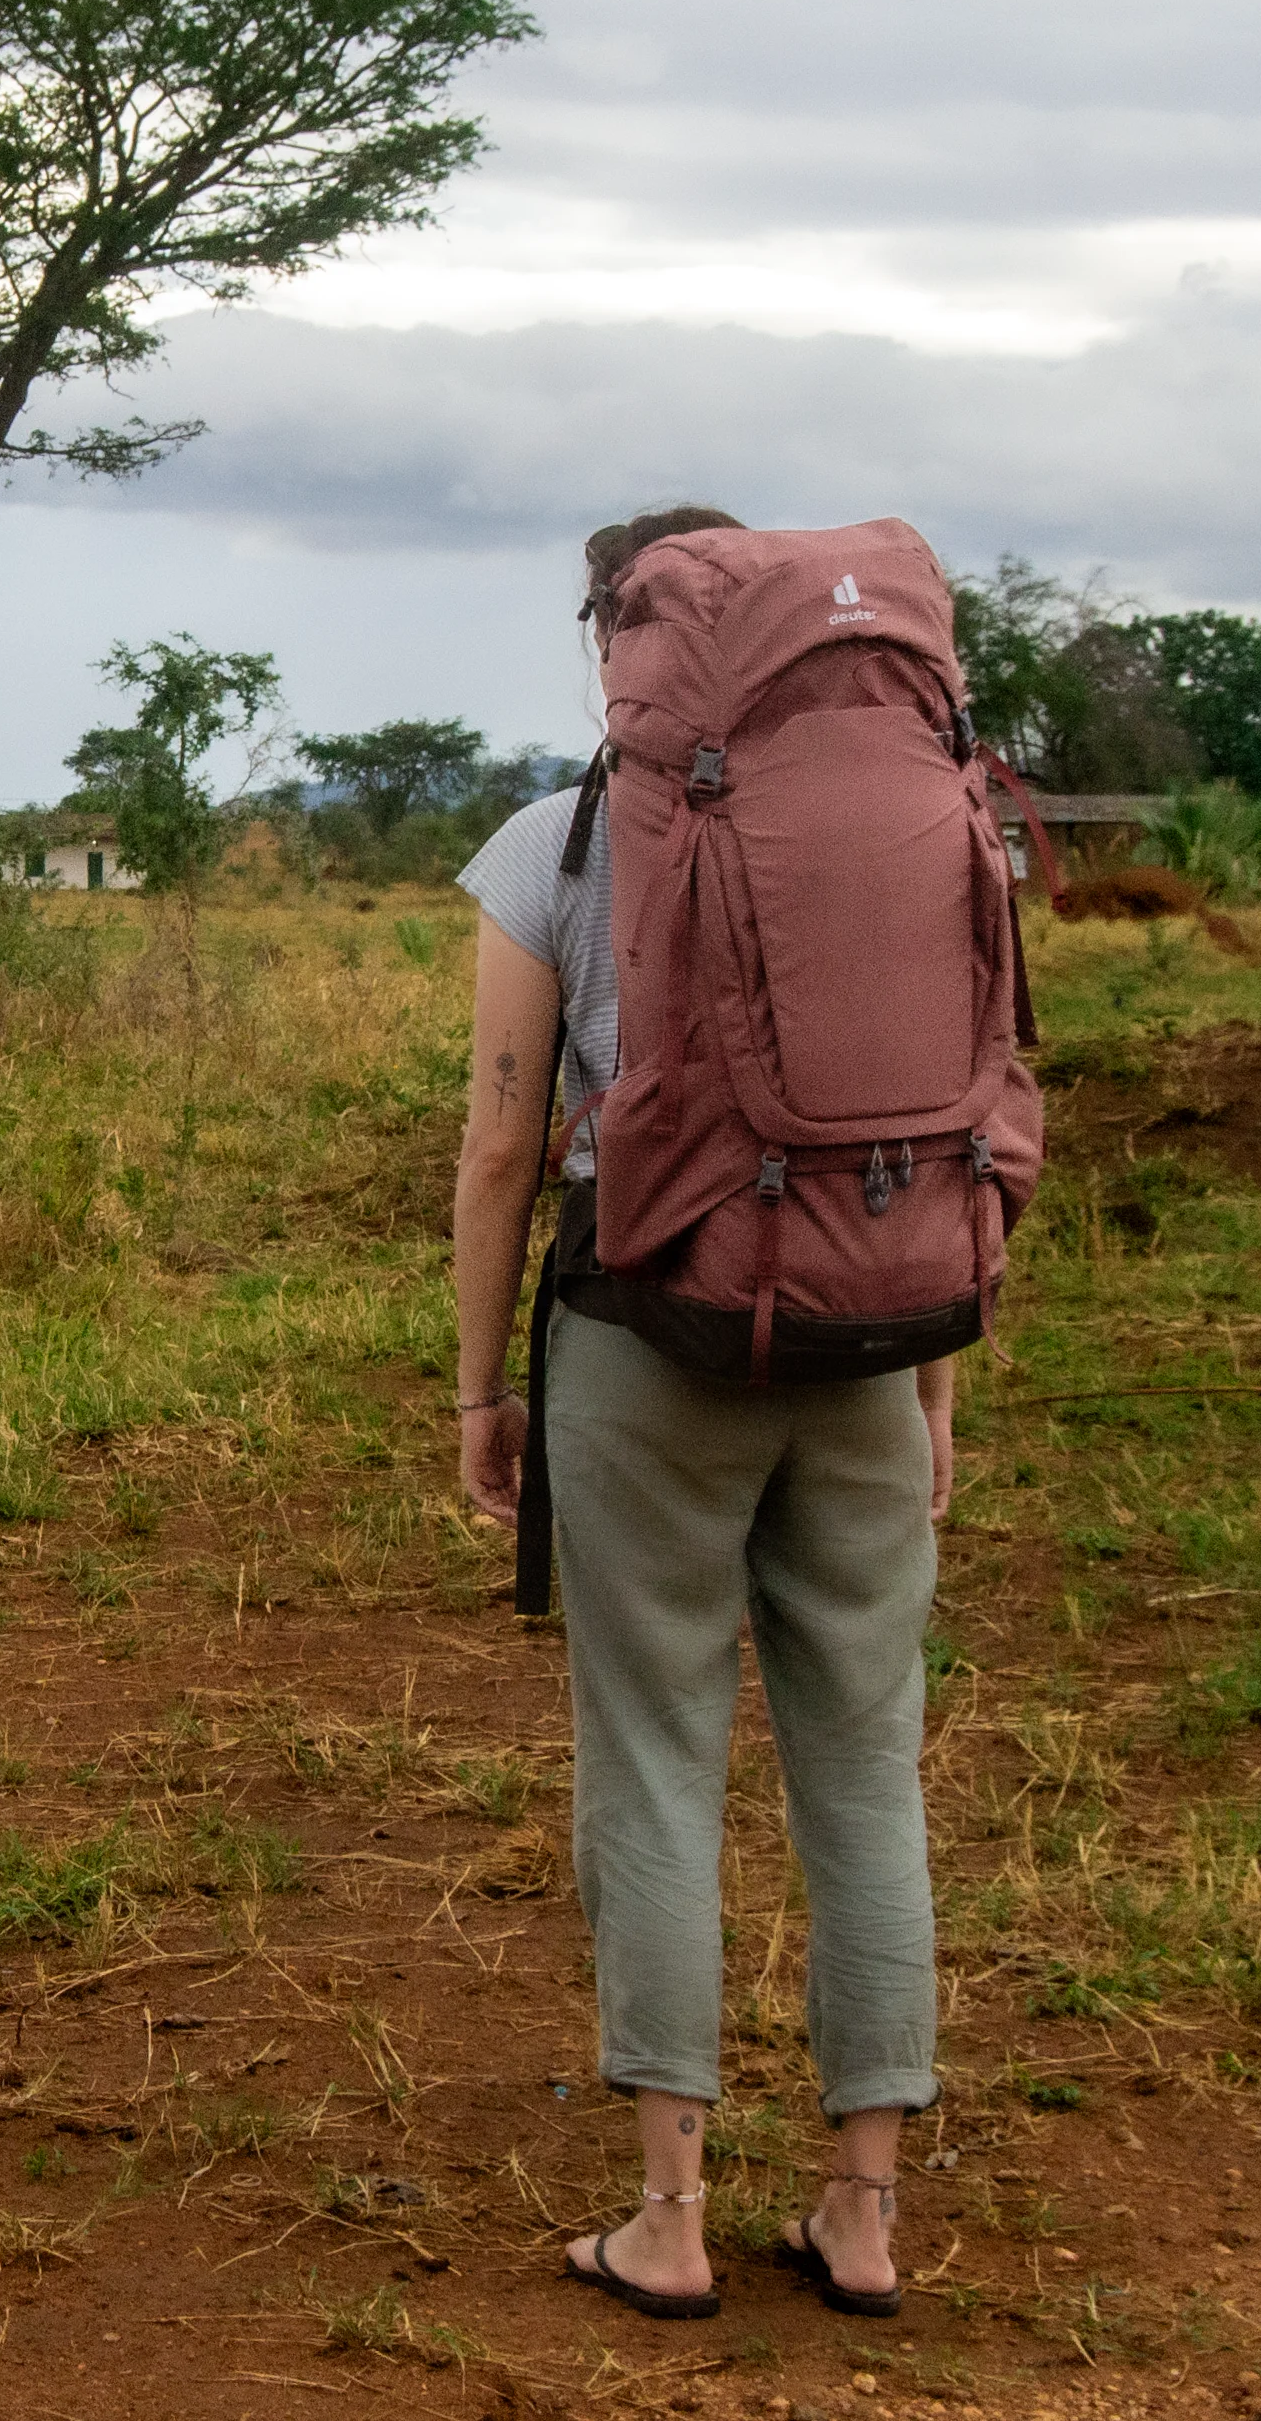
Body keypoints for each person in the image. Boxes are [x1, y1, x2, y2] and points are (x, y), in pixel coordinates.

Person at [453, 504, 959, 2321]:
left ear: (617, 633)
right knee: (864, 1764)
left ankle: (667, 2219)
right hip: (868, 1341)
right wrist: (930, 1381)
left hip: (642, 1335)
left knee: (654, 1758)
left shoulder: (557, 844)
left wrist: (480, 1382)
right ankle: (861, 2208)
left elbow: (503, 1141)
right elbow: (927, 1122)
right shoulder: (904, 817)